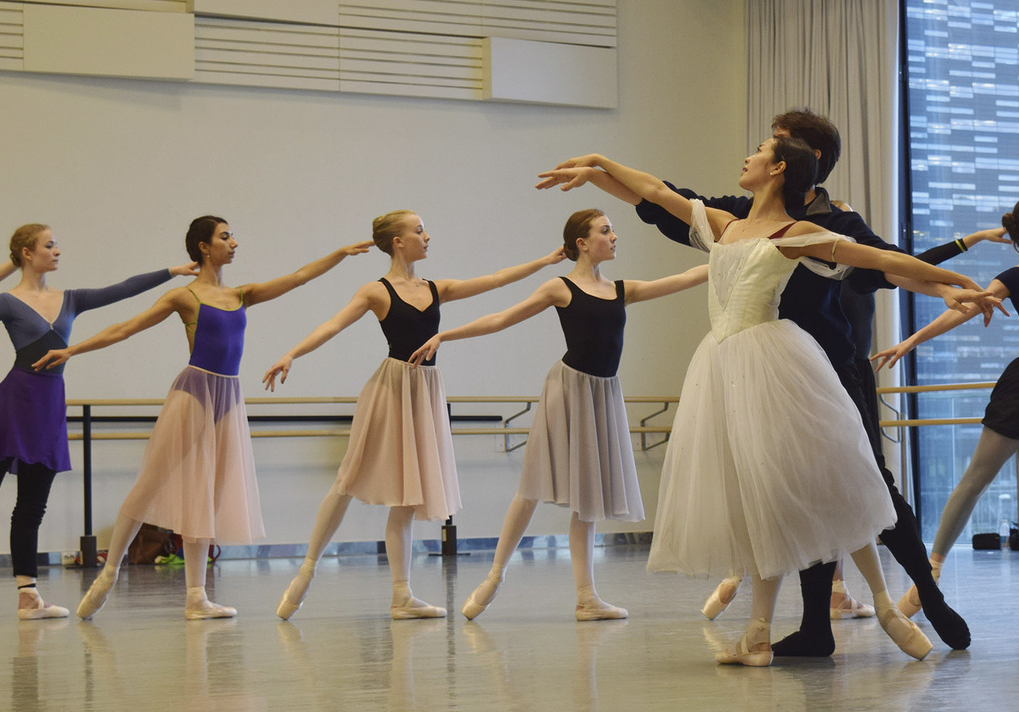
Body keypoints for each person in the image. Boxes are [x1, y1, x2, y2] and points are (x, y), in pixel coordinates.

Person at [536, 138, 993, 665]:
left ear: (777, 169)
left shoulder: (798, 232)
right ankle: (763, 628)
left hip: (776, 361)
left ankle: (885, 604)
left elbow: (879, 259)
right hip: (724, 365)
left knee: (824, 478)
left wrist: (954, 280)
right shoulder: (725, 225)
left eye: (757, 149)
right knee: (761, 492)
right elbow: (656, 192)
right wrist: (597, 165)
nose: (745, 155)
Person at [33, 216, 372, 620]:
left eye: (232, 235)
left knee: (204, 495)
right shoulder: (186, 297)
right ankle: (109, 572)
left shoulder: (242, 294)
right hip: (194, 392)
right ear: (203, 247)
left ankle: (196, 596)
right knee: (151, 483)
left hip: (227, 396)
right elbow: (126, 329)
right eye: (225, 236)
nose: (234, 242)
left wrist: (338, 254)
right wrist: (71, 352)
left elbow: (298, 277)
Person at [263, 210, 564, 621]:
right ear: (398, 241)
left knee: (407, 495)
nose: (427, 235)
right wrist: (291, 354)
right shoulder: (377, 291)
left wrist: (544, 262)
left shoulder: (435, 288)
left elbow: (495, 279)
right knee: (347, 480)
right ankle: (306, 571)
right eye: (419, 229)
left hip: (424, 390)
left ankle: (401, 595)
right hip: (391, 390)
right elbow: (333, 326)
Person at [408, 210, 708, 621]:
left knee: (588, 499)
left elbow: (681, 280)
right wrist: (446, 335)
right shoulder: (561, 288)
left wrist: (727, 259)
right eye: (606, 231)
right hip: (567, 389)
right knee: (532, 484)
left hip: (602, 393)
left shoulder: (620, 289)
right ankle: (495, 576)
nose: (615, 236)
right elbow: (502, 318)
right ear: (582, 243)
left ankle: (586, 597)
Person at [706, 220, 1009, 622]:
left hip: (840, 372)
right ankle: (824, 595)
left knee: (861, 481)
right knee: (805, 482)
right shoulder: (774, 238)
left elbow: (900, 263)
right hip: (791, 373)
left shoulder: (841, 256)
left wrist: (948, 280)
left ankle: (904, 591)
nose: (848, 223)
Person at [0, 224, 196, 620]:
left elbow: (122, 289)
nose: (57, 250)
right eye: (49, 245)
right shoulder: (6, 302)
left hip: (49, 406)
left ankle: (28, 596)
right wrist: (7, 263)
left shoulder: (70, 299)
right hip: (12, 405)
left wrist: (171, 271)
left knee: (32, 506)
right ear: (26, 253)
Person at [872, 201, 1019, 617]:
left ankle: (929, 573)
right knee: (975, 480)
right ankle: (930, 573)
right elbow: (967, 306)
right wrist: (911, 341)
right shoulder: (1013, 277)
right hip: (1018, 394)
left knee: (974, 481)